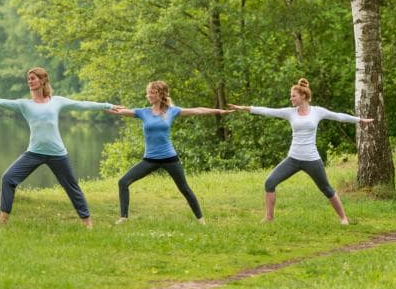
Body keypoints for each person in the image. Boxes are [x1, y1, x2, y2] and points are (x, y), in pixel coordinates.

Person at [0, 67, 117, 228]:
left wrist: (107, 105)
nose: (30, 81)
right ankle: (2, 220)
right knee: (8, 178)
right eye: (29, 79)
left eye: (33, 78)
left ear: (42, 80)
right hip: (34, 152)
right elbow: (0, 102)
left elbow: (81, 105)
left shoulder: (57, 102)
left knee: (71, 187)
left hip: (57, 154)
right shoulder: (24, 105)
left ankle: (88, 222)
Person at [228, 78, 374, 225]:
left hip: (312, 159)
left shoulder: (317, 112)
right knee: (270, 183)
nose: (291, 98)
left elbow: (339, 116)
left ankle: (344, 218)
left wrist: (360, 120)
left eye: (293, 96)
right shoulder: (290, 113)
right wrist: (243, 108)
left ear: (303, 96)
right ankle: (269, 217)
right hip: (293, 159)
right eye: (291, 96)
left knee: (326, 189)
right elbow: (267, 111)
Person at [109, 80, 230, 225]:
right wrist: (99, 107)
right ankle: (123, 217)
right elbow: (119, 111)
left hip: (169, 158)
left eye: (152, 92)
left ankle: (201, 220)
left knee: (184, 189)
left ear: (160, 95)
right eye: (148, 92)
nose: (148, 95)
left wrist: (218, 111)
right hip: (150, 159)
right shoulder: (143, 112)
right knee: (123, 182)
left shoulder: (172, 111)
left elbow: (197, 110)